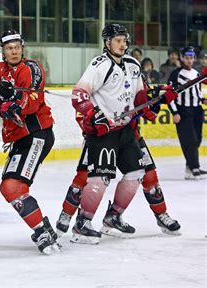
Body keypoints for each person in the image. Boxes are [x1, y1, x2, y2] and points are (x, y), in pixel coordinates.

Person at [68, 23, 178, 244]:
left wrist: (156, 96)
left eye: (124, 40)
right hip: (104, 131)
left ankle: (113, 217)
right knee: (101, 178)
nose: (122, 44)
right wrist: (93, 113)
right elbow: (78, 94)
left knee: (136, 173)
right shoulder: (99, 65)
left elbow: (139, 97)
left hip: (126, 130)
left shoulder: (133, 64)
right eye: (117, 40)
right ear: (107, 42)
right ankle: (83, 222)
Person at [55, 79, 181, 238]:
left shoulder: (135, 74)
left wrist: (158, 100)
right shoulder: (101, 74)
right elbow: (82, 111)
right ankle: (66, 214)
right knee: (84, 177)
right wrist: (94, 125)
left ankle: (120, 215)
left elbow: (148, 113)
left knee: (148, 175)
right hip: (100, 137)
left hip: (130, 136)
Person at [0, 30, 61, 255]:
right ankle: (43, 228)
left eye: (17, 46)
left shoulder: (32, 68)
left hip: (37, 134)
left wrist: (11, 95)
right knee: (8, 187)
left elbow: (31, 104)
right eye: (9, 48)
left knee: (13, 187)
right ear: (3, 51)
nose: (14, 51)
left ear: (22, 48)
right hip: (19, 138)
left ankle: (42, 231)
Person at [168, 46, 207, 180]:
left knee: (197, 140)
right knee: (190, 140)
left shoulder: (197, 73)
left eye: (191, 57)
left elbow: (198, 90)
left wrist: (203, 99)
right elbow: (169, 96)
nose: (189, 60)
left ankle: (189, 167)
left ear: (194, 58)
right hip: (183, 111)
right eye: (187, 57)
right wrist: (174, 112)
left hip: (197, 110)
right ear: (182, 58)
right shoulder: (176, 74)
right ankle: (195, 167)